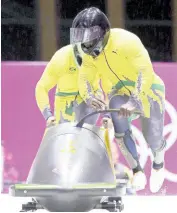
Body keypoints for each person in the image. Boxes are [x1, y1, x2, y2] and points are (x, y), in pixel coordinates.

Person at [71, 7, 166, 193]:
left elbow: (145, 72)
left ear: (103, 32)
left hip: (149, 89)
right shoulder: (89, 55)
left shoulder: (126, 42)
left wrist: (134, 100)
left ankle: (158, 164)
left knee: (153, 138)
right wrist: (89, 97)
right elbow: (84, 79)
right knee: (117, 117)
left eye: (89, 36)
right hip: (120, 90)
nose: (85, 42)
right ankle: (137, 170)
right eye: (81, 35)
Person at [35, 43, 105, 128]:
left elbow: (112, 86)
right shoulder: (61, 58)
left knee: (85, 136)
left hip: (91, 102)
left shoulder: (101, 57)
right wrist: (48, 116)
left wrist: (108, 116)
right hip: (66, 107)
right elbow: (42, 87)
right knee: (67, 137)